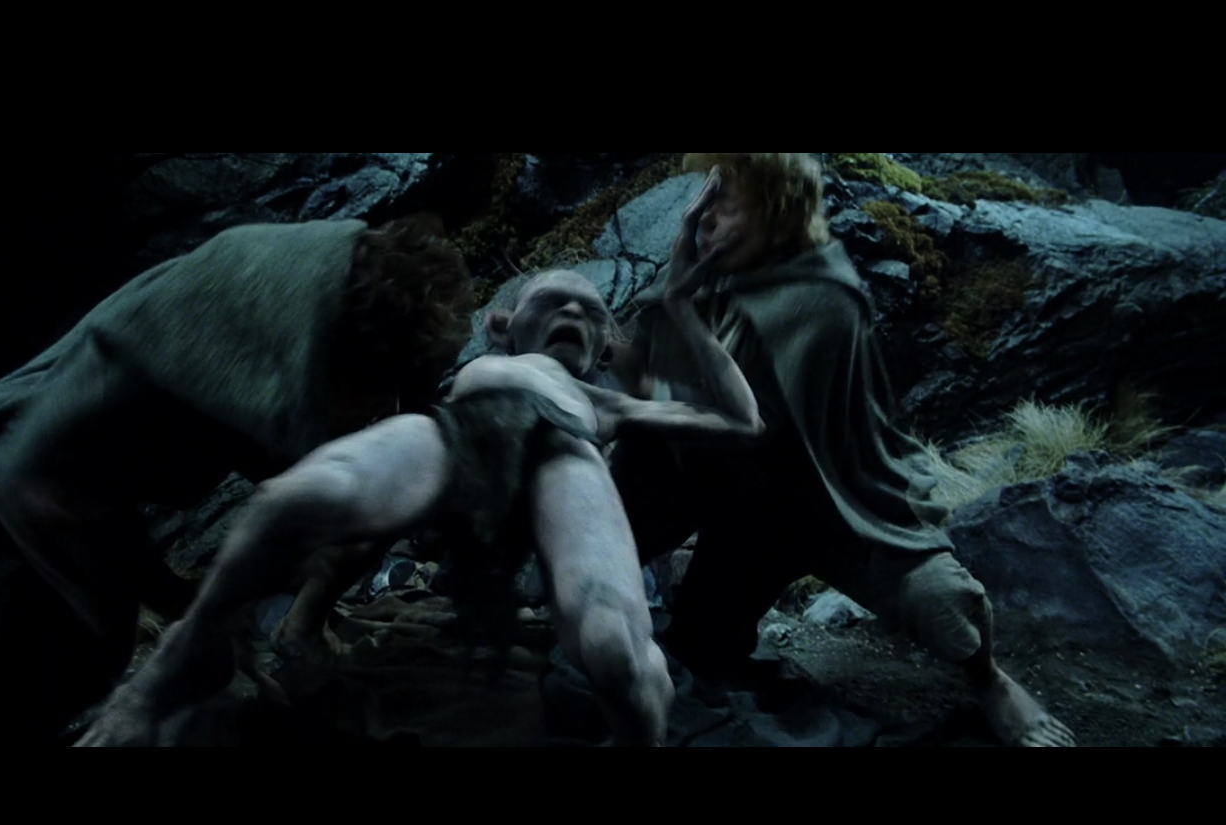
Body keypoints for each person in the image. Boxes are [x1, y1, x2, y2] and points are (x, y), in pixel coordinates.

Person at [76, 263, 766, 748]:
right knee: (293, 500)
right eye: (555, 299)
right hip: (463, 430)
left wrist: (682, 305)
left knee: (619, 655)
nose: (574, 312)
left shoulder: (603, 402)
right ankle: (167, 675)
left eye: (590, 311)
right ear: (501, 327)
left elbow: (741, 422)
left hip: (565, 454)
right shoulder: (490, 367)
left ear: (603, 350)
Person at [0, 214, 478, 746]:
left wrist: (203, 613)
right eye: (380, 388)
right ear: (342, 355)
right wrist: (168, 619)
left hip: (76, 492)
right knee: (5, 693)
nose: (387, 410)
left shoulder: (289, 312)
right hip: (26, 504)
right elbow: (41, 489)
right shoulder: (202, 346)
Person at [608, 154, 1077, 748]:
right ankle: (597, 595)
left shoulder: (825, 297)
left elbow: (751, 424)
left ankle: (991, 680)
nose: (705, 215)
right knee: (701, 644)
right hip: (742, 503)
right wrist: (583, 335)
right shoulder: (705, 280)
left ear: (777, 210)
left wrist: (678, 314)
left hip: (837, 506)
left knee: (939, 601)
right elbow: (645, 378)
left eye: (726, 200)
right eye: (706, 197)